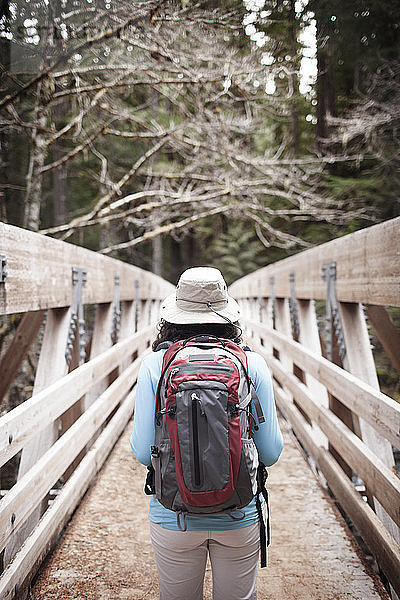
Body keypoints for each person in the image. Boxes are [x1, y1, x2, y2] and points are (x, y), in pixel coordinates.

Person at [130, 267, 283, 600]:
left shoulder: (154, 365)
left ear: (174, 315)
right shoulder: (250, 364)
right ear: (228, 314)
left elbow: (143, 452)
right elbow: (270, 452)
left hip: (174, 515)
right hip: (239, 512)